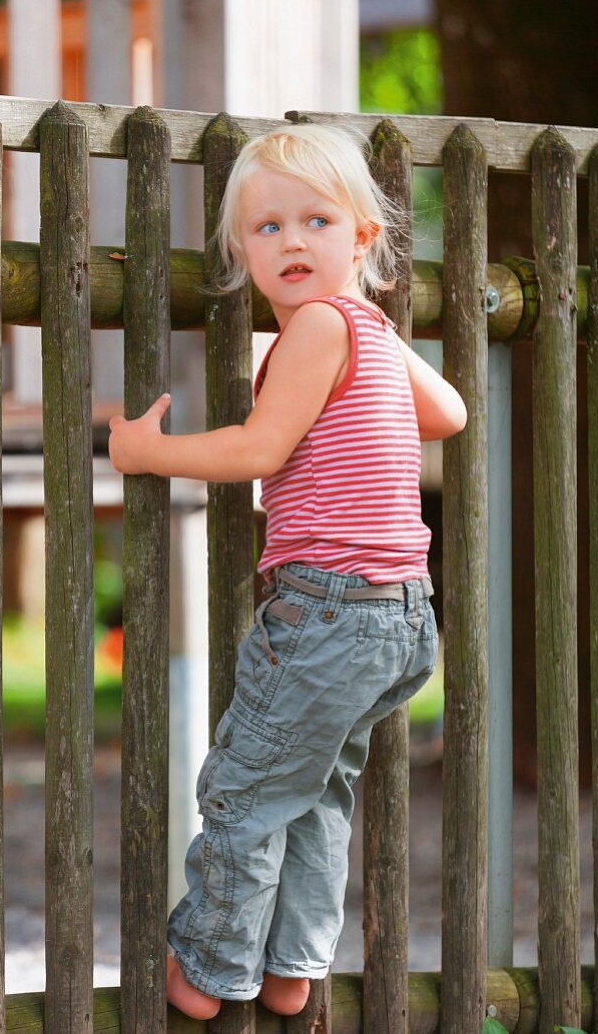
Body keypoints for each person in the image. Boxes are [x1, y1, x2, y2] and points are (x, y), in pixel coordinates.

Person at [108, 122, 467, 1019]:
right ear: (239, 250)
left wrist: (150, 452)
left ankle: (208, 970)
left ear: (363, 237)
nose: (291, 241)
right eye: (266, 229)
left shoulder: (312, 328)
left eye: (315, 221)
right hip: (400, 617)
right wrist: (375, 346)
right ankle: (290, 970)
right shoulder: (366, 330)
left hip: (328, 611)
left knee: (245, 790)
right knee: (313, 798)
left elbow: (261, 447)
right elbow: (451, 413)